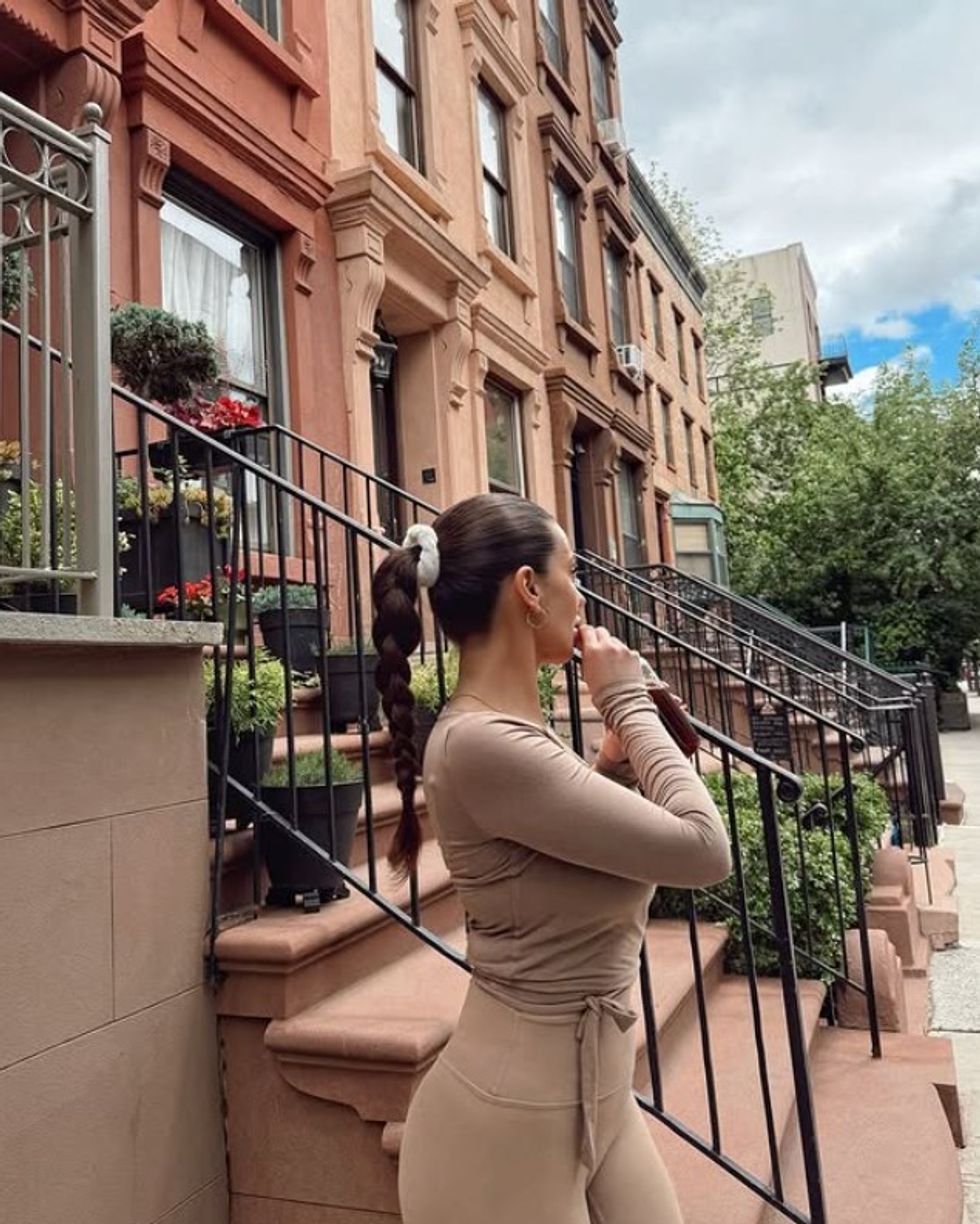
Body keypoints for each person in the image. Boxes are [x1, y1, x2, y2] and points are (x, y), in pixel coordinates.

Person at [370, 492, 731, 1224]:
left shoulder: (516, 740)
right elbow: (704, 848)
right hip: (506, 1123)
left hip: (599, 1096)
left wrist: (612, 769)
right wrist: (626, 700)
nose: (582, 596)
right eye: (573, 573)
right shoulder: (481, 742)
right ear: (529, 589)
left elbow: (568, 872)